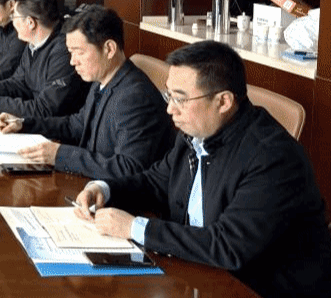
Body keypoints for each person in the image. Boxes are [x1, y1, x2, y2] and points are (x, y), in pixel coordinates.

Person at [74, 41, 331, 298]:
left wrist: (135, 228)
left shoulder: (273, 158)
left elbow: (228, 245)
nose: (170, 109)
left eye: (180, 99)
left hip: (257, 287)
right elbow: (156, 182)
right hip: (198, 273)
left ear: (223, 101)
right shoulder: (197, 133)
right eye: (168, 95)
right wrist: (104, 189)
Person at [0, 5, 173, 179]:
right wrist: (23, 124)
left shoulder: (135, 97)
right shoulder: (102, 79)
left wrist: (60, 155)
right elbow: (75, 125)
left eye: (78, 52)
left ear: (109, 49)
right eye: (70, 53)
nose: (72, 62)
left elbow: (128, 168)